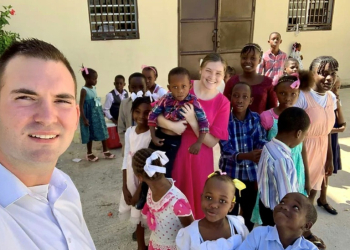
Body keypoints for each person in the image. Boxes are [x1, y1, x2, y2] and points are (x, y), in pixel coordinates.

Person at [0, 39, 95, 249]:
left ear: (76, 114)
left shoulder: (64, 186)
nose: (47, 117)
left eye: (62, 100)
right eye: (25, 97)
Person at [157, 53, 230, 219]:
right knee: (171, 199)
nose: (212, 77)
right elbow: (155, 113)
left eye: (218, 73)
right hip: (173, 153)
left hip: (200, 159)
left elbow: (211, 142)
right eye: (208, 71)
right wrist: (172, 125)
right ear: (200, 70)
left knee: (196, 205)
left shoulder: (223, 103)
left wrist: (193, 121)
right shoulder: (183, 84)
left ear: (223, 76)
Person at [294, 56, 338, 250]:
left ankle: (304, 230)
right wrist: (302, 163)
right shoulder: (302, 96)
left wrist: (330, 157)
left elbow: (327, 132)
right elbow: (295, 132)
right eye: (323, 73)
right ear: (312, 74)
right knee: (297, 194)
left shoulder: (332, 98)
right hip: (302, 150)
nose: (328, 78)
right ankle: (291, 232)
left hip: (321, 149)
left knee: (312, 193)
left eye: (332, 73)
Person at [219, 82, 267, 231]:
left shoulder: (255, 118)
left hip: (251, 175)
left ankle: (247, 236)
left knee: (248, 208)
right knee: (229, 208)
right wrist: (248, 156)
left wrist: (263, 149)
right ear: (230, 97)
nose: (240, 100)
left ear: (250, 101)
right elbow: (225, 149)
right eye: (236, 96)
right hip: (231, 175)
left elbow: (260, 139)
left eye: (244, 97)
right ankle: (230, 235)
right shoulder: (225, 119)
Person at [148, 66, 209, 173]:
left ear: (190, 86)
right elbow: (152, 115)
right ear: (169, 87)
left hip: (173, 142)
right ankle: (145, 190)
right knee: (148, 167)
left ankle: (164, 189)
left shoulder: (193, 102)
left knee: (165, 171)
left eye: (183, 86)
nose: (180, 91)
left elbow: (203, 123)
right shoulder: (166, 99)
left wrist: (199, 142)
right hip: (159, 136)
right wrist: (153, 136)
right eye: (175, 87)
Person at [257, 107, 310, 226]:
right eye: (305, 135)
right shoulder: (283, 160)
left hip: (265, 205)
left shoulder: (268, 146)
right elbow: (287, 199)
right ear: (299, 133)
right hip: (278, 215)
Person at [132, 149, 194, 250]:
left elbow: (192, 230)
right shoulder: (151, 190)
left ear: (140, 177)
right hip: (155, 244)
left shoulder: (176, 201)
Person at [176, 170, 249, 250]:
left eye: (222, 201)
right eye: (208, 197)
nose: (213, 205)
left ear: (231, 207)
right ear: (201, 198)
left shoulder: (238, 226)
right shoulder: (189, 234)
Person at [118, 96, 152, 250]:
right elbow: (126, 157)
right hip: (131, 179)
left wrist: (140, 190)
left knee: (147, 212)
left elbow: (150, 165)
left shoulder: (152, 135)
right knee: (135, 213)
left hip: (146, 181)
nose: (141, 116)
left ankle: (154, 243)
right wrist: (125, 186)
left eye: (146, 113)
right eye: (137, 112)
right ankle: (140, 245)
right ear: (132, 112)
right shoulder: (130, 131)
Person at [238, 193, 318, 250]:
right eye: (282, 202)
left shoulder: (310, 248)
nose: (284, 207)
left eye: (295, 207)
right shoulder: (259, 234)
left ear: (307, 225)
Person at [223, 43, 277, 114]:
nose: (248, 61)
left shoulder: (268, 83)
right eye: (244, 58)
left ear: (260, 60)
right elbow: (224, 107)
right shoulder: (232, 81)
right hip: (236, 124)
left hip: (261, 124)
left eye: (253, 58)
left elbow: (273, 110)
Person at [79, 66, 115, 162]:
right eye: (94, 79)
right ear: (87, 79)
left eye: (96, 79)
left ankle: (105, 151)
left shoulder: (94, 87)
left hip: (97, 113)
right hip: (88, 115)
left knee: (103, 130)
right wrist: (84, 118)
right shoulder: (84, 90)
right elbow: (81, 105)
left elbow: (96, 100)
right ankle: (89, 153)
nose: (96, 81)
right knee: (89, 133)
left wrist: (101, 111)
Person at [117, 72, 147, 148]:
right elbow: (121, 127)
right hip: (130, 146)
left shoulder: (152, 104)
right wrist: (125, 144)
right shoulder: (124, 104)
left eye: (141, 87)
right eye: (133, 87)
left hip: (146, 145)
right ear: (129, 88)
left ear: (146, 87)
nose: (137, 90)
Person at [331, 76, 346, 174]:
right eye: (334, 87)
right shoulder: (324, 102)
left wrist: (338, 105)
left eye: (338, 87)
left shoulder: (336, 100)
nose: (336, 90)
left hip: (333, 139)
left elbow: (341, 122)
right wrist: (338, 130)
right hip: (325, 139)